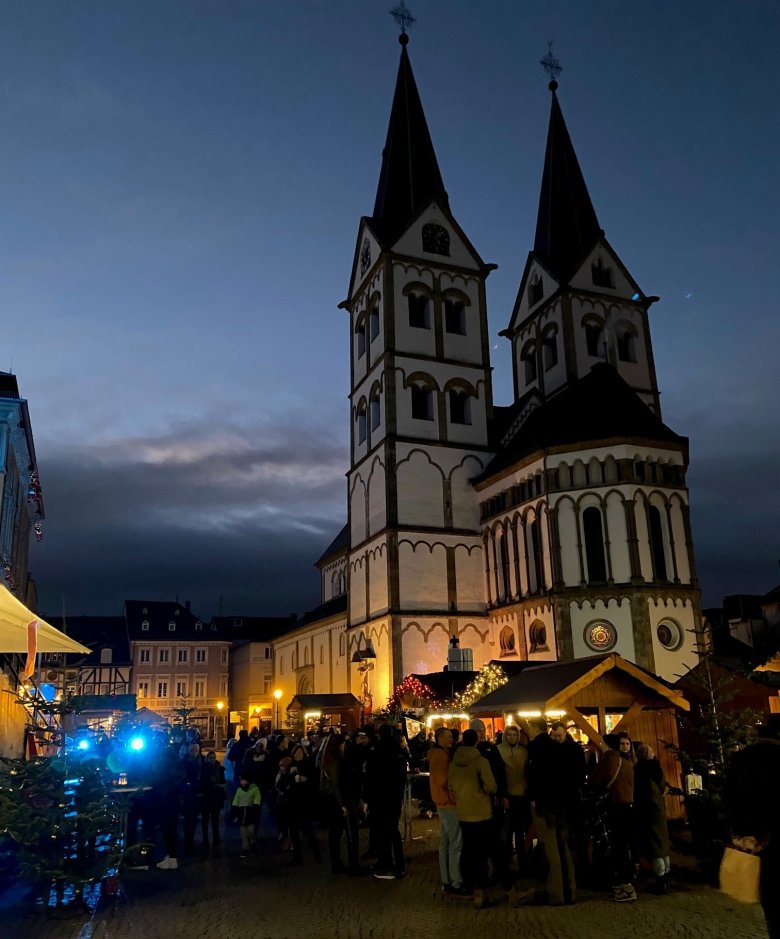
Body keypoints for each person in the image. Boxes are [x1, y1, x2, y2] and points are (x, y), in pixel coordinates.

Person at [724, 738, 780, 938]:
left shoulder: (744, 762)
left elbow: (733, 800)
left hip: (766, 853)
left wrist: (745, 833)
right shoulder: (766, 758)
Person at [526, 719, 584, 905]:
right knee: (563, 846)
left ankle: (557, 893)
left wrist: (535, 798)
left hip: (547, 806)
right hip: (565, 804)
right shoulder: (563, 749)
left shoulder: (537, 749)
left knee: (552, 848)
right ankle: (570, 890)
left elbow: (533, 777)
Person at [448, 728, 497, 909]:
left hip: (463, 811)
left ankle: (467, 884)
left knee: (468, 849)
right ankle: (480, 889)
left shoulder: (454, 762)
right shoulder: (480, 761)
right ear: (476, 741)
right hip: (481, 811)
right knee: (482, 851)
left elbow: (451, 785)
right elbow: (491, 786)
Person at [589, 732, 636, 902]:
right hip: (628, 807)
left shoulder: (609, 760)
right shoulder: (628, 762)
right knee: (624, 846)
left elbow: (594, 780)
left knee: (615, 847)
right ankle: (629, 883)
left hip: (613, 807)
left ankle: (622, 886)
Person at [366, 723, 408, 881]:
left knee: (382, 831)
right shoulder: (398, 751)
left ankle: (387, 864)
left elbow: (371, 777)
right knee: (393, 830)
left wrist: (368, 798)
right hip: (394, 797)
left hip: (380, 797)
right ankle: (399, 865)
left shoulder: (376, 751)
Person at [428, 726, 466, 896]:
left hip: (442, 802)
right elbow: (444, 779)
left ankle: (446, 879)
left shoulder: (437, 755)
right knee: (455, 843)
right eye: (449, 736)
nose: (452, 739)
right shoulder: (441, 756)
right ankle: (455, 881)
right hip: (448, 803)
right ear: (440, 738)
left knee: (445, 842)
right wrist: (455, 790)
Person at [320, 733, 361, 875]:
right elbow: (335, 784)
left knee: (335, 834)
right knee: (351, 833)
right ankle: (353, 866)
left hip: (331, 802)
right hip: (340, 802)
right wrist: (343, 805)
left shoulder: (326, 759)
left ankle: (336, 864)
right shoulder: (335, 762)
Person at [633, 743, 670, 893]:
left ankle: (660, 880)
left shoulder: (640, 770)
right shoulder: (657, 768)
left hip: (647, 810)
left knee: (654, 845)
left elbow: (639, 793)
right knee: (662, 842)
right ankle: (666, 876)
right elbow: (662, 787)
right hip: (659, 809)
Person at [497, 724, 531, 876]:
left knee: (520, 831)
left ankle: (523, 864)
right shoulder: (499, 750)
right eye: (509, 734)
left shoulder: (524, 752)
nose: (512, 737)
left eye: (514, 735)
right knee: (506, 831)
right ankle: (506, 863)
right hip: (508, 795)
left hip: (522, 795)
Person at [285, 742, 321, 865]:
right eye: (295, 752)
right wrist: (290, 777)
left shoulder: (308, 764)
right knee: (294, 830)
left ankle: (316, 852)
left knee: (307, 829)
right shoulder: (292, 765)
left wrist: (306, 780)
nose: (297, 754)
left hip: (304, 801)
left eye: (299, 752)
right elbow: (286, 781)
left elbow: (314, 782)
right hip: (293, 801)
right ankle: (297, 857)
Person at [180, 742, 205, 852]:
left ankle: (191, 840)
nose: (194, 753)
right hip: (188, 795)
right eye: (192, 751)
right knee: (188, 820)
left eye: (196, 750)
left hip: (198, 795)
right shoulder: (185, 762)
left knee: (194, 820)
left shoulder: (202, 761)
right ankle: (187, 842)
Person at [201, 750, 226, 851]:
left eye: (214, 757)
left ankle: (216, 838)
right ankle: (205, 838)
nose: (212, 759)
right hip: (206, 797)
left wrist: (219, 785)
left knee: (215, 819)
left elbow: (223, 782)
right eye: (210, 758)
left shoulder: (219, 769)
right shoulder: (203, 769)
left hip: (216, 797)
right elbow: (202, 783)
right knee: (205, 819)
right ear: (207, 759)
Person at [232, 775, 262, 859]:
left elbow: (257, 801)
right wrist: (234, 813)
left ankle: (253, 843)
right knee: (243, 832)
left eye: (243, 780)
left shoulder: (255, 789)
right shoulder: (239, 790)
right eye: (241, 780)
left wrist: (255, 809)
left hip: (250, 812)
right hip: (242, 813)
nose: (242, 782)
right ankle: (245, 848)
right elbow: (235, 801)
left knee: (251, 830)